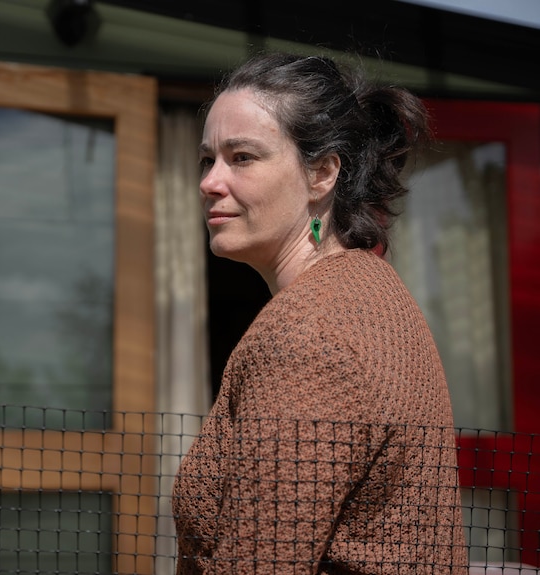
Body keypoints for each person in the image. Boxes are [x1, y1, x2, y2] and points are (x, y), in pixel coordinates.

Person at [172, 52, 468, 574]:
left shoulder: (306, 337)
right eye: (207, 159)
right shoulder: (368, 287)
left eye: (242, 157)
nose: (210, 182)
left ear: (322, 174)